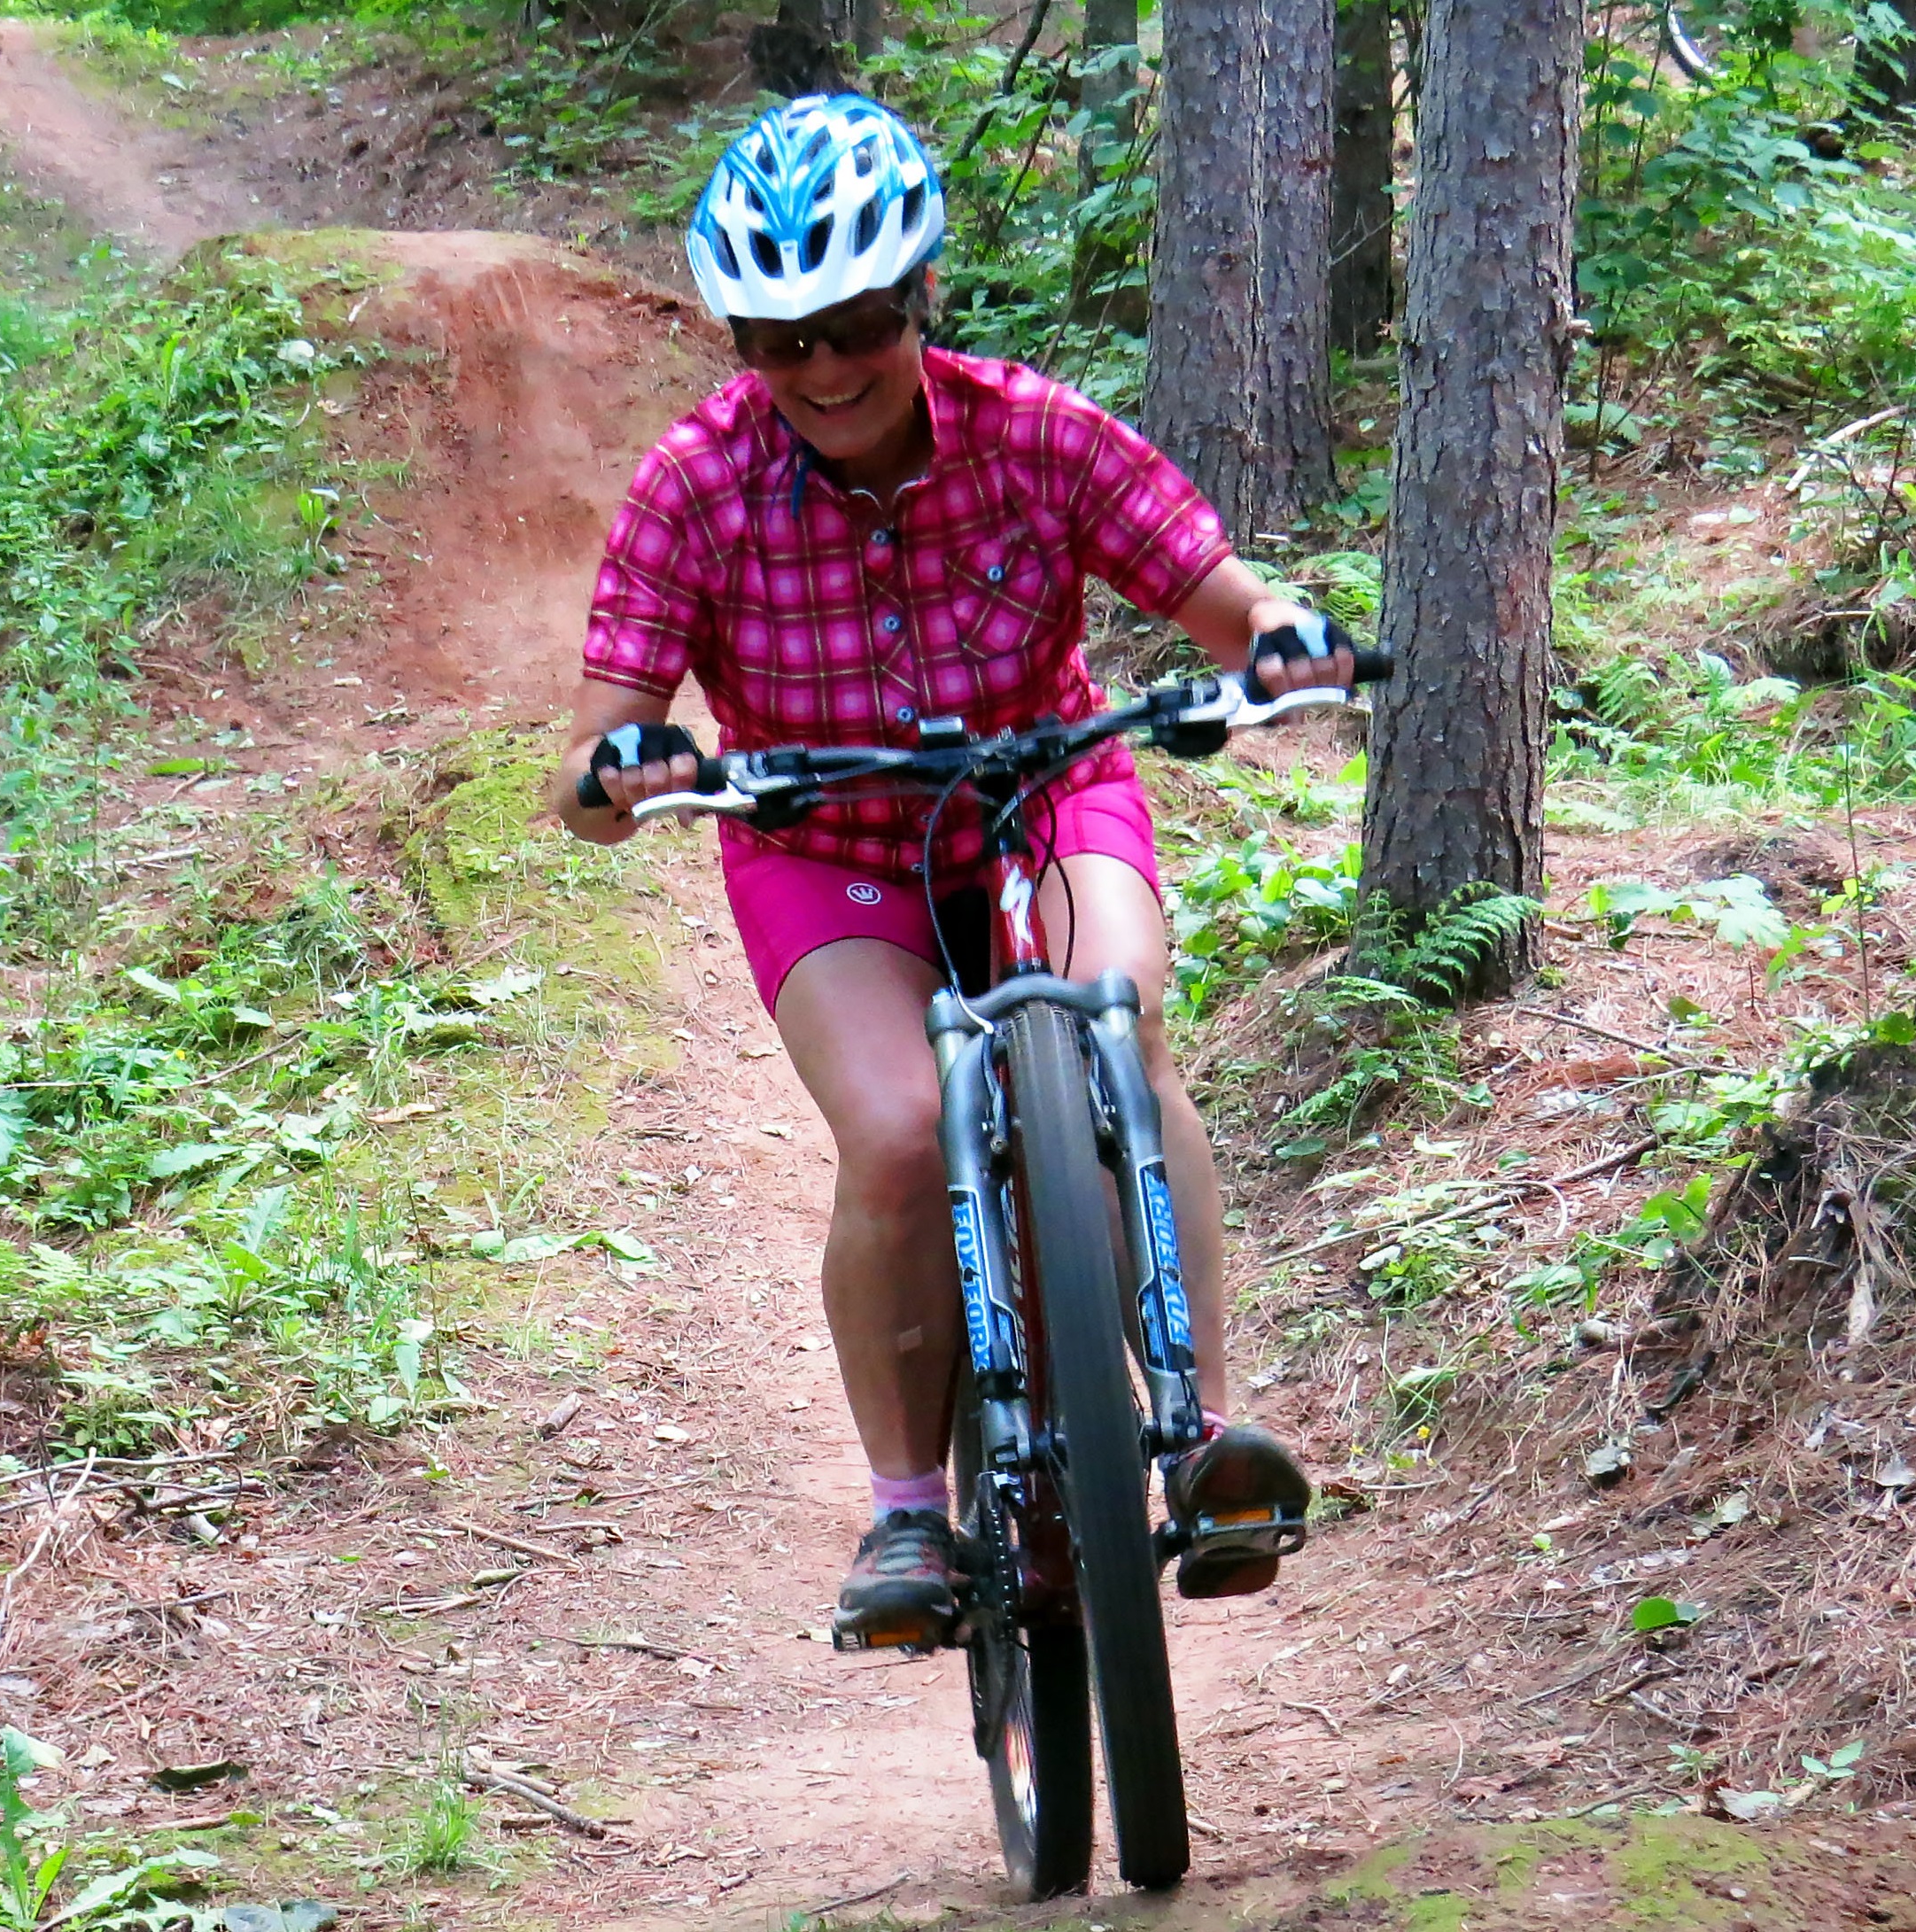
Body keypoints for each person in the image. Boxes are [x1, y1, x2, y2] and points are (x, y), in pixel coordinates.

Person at [546, 95, 1341, 1650]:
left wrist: (1286, 643)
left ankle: (1195, 1432)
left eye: (851, 326)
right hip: (821, 845)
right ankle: (908, 1510)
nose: (822, 372)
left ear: (918, 303)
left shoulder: (1034, 431)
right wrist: (622, 769)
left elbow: (1229, 604)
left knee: (1114, 1017)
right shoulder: (693, 486)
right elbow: (587, 767)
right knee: (903, 1130)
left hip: (1043, 795)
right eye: (776, 345)